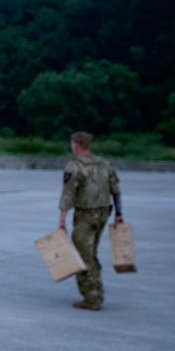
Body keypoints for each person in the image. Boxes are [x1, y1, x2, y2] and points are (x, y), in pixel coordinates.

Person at [58, 130, 123, 311]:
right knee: (90, 252)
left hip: (85, 215)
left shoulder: (74, 166)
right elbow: (116, 189)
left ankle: (93, 296)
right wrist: (119, 213)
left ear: (76, 145)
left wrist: (62, 219)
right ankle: (94, 292)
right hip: (103, 214)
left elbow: (68, 194)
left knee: (83, 255)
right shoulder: (104, 164)